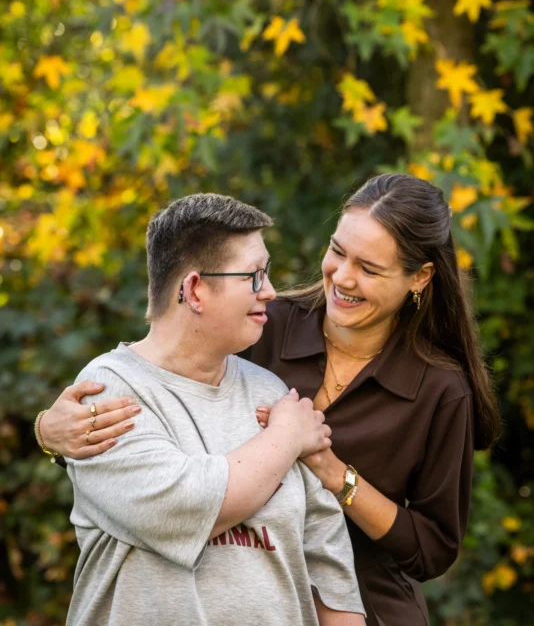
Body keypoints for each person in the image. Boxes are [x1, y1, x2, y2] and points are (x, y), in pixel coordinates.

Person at [38, 173, 501, 626]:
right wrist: (50, 433)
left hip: (369, 601)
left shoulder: (441, 389)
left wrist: (334, 473)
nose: (342, 276)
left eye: (369, 268)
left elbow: (431, 548)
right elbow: (169, 367)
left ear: (418, 278)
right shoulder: (263, 326)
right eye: (337, 251)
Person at [37, 193, 366, 626]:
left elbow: (329, 569)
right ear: (194, 289)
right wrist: (286, 437)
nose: (269, 291)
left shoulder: (271, 394)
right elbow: (191, 505)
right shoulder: (108, 392)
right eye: (253, 276)